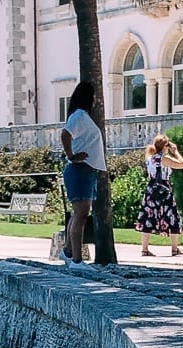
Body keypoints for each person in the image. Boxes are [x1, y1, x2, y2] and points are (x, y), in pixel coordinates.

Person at [60, 81, 107, 266]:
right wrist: (71, 155)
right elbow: (65, 134)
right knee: (81, 214)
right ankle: (77, 260)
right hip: (80, 170)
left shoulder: (83, 116)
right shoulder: (79, 116)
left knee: (78, 213)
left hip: (86, 170)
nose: (95, 100)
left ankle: (68, 252)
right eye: (93, 96)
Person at [135, 134, 183, 257]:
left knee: (147, 217)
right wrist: (176, 152)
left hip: (151, 188)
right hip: (164, 189)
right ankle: (174, 248)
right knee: (172, 216)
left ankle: (145, 249)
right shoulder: (165, 158)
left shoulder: (149, 158)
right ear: (165, 146)